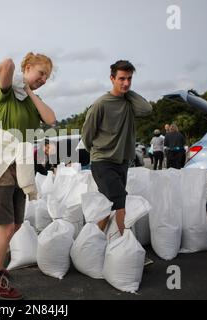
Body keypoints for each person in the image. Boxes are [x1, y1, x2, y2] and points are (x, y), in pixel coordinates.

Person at [0, 52, 56, 300]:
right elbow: (6, 65)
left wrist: (31, 92)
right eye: (41, 73)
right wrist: (19, 77)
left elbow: (51, 120)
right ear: (28, 67)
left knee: (17, 225)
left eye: (47, 77)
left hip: (20, 169)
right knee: (5, 226)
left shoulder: (32, 99)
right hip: (1, 167)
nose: (44, 79)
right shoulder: (7, 93)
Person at [81, 59, 152, 248]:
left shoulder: (129, 102)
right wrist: (98, 152)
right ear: (112, 78)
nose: (126, 83)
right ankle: (124, 246)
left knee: (108, 205)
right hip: (103, 162)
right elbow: (86, 134)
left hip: (122, 162)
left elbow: (147, 109)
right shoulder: (101, 104)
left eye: (129, 79)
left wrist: (127, 92)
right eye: (121, 79)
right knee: (120, 200)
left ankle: (89, 244)